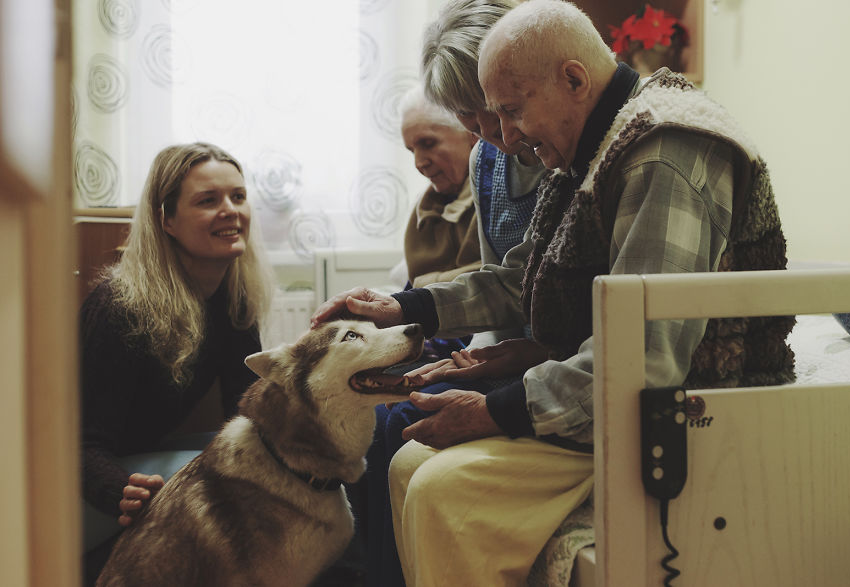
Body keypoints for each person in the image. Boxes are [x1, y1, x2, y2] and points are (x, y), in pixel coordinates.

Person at [313, 0, 795, 584]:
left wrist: (494, 410)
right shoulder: (590, 146)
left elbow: (644, 358)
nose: (503, 137)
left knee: (442, 488)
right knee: (409, 461)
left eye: (510, 112)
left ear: (573, 79)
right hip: (618, 395)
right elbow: (528, 277)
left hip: (686, 409)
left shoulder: (664, 153)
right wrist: (409, 306)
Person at [360, 3, 548, 586]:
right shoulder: (489, 163)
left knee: (403, 417)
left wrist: (477, 367)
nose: (496, 135)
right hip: (507, 351)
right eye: (479, 119)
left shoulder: (560, 156)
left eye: (493, 114)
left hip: (541, 363)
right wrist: (408, 313)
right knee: (387, 413)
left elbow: (523, 296)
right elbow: (506, 283)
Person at [80, 142, 272, 584]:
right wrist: (119, 490)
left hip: (138, 460)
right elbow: (78, 444)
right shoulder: (119, 308)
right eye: (208, 200)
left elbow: (243, 415)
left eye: (237, 197)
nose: (230, 211)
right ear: (166, 220)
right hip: (81, 483)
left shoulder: (233, 297)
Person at [398, 85, 482, 290]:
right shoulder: (422, 215)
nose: (418, 163)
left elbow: (506, 278)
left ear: (471, 133)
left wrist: (423, 289)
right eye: (412, 151)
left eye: (428, 143)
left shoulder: (495, 197)